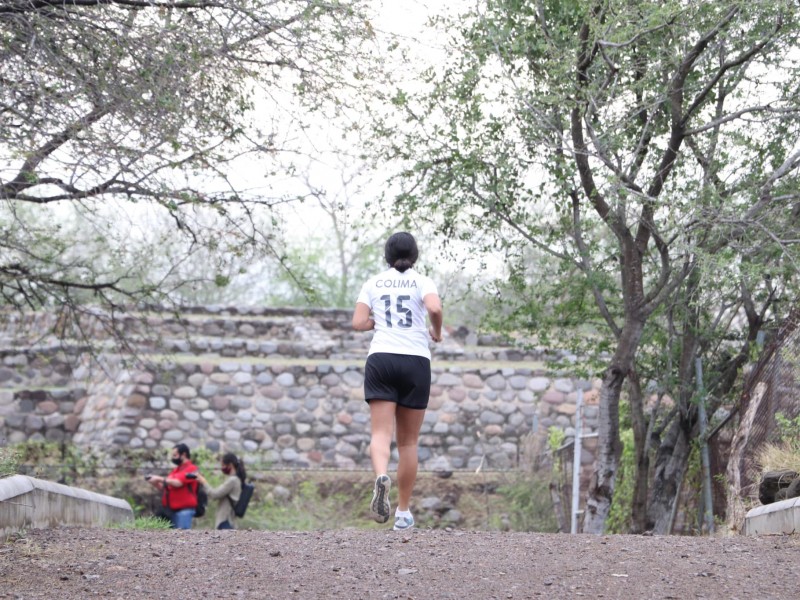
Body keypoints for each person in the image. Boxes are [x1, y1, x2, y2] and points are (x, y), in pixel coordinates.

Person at [352, 231, 443, 531]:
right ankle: (403, 512)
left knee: (380, 434)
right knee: (408, 443)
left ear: (387, 257)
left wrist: (377, 321)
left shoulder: (373, 283)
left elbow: (358, 323)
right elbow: (434, 308)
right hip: (416, 360)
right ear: (415, 256)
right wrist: (437, 332)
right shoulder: (423, 281)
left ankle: (381, 475)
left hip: (381, 359)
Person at [145, 443, 200, 529]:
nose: (173, 458)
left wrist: (159, 478)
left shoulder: (192, 469)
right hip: (171, 511)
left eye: (175, 455)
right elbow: (165, 487)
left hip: (184, 511)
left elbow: (178, 483)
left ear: (184, 455)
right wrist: (154, 482)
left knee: (183, 538)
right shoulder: (176, 470)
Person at [195, 452, 245, 530]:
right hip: (228, 520)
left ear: (230, 465)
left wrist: (203, 482)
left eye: (223, 465)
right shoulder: (234, 479)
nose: (222, 468)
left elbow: (215, 494)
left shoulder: (233, 480)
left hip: (226, 520)